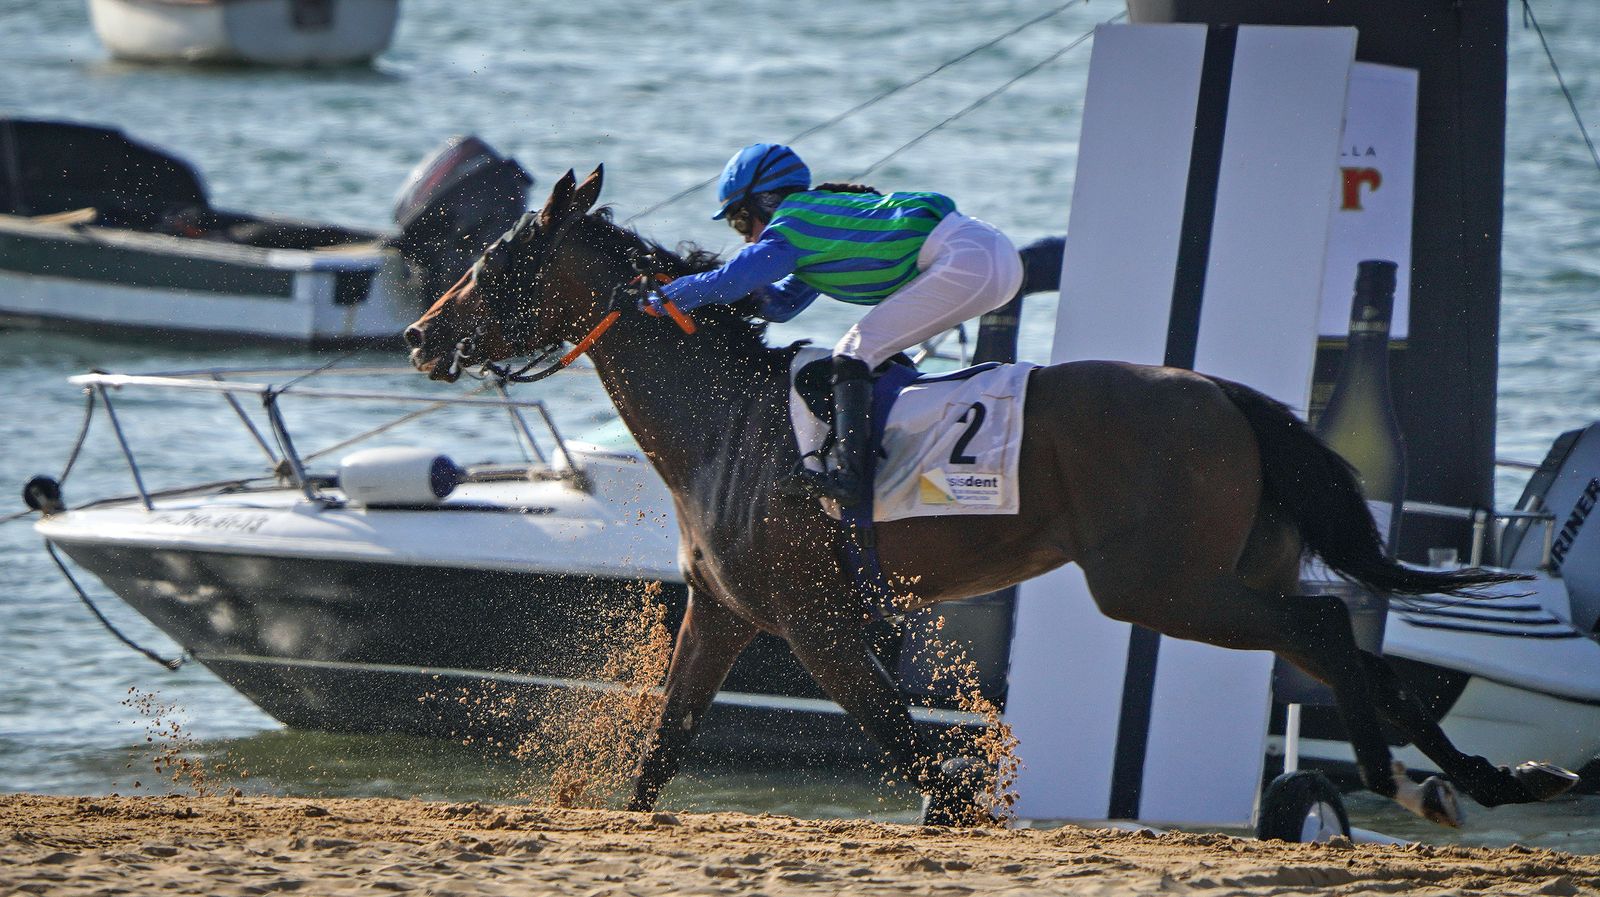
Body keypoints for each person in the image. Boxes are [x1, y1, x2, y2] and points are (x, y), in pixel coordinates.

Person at [643, 143, 1024, 506]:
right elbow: (781, 305)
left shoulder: (793, 222)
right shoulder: (814, 230)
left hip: (970, 257)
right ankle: (897, 453)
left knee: (854, 351)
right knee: (868, 354)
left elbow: (734, 278)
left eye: (741, 218)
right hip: (987, 255)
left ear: (767, 201)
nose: (745, 234)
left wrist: (656, 300)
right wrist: (704, 296)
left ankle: (849, 478)